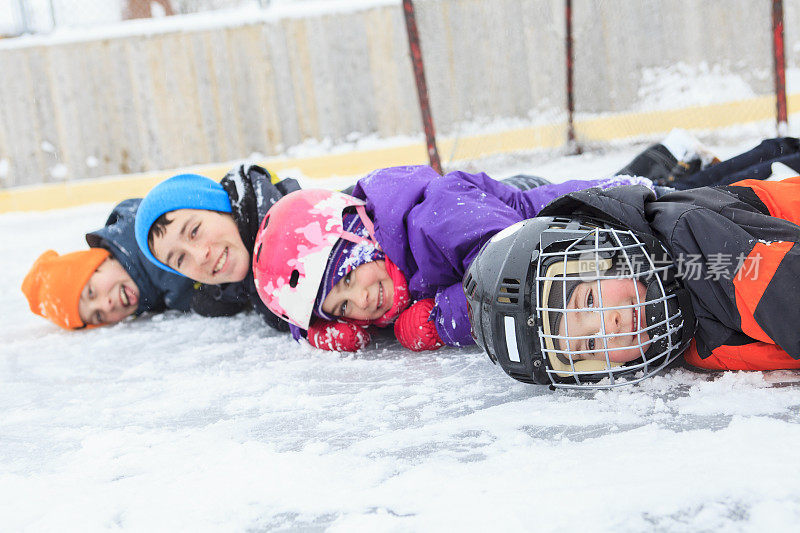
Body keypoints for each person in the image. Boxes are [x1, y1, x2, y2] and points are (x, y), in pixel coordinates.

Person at [249, 166, 654, 353]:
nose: (362, 300)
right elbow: (306, 303)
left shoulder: (434, 214)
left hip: (617, 214)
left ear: (361, 232)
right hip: (595, 266)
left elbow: (512, 269)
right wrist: (317, 328)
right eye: (343, 306)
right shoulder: (387, 274)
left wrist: (442, 319)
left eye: (349, 277)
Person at [464, 172, 800, 389]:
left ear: (602, 252)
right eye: (591, 346)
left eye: (589, 301)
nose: (609, 326)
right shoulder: (677, 325)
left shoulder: (696, 250)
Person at [134, 164, 301, 332]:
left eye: (194, 231)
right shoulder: (233, 288)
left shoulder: (303, 228)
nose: (200, 256)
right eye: (180, 259)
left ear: (222, 207)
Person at [22, 198, 197, 329]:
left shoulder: (146, 240)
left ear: (100, 260)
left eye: (91, 292)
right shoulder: (147, 290)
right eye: (98, 316)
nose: (107, 306)